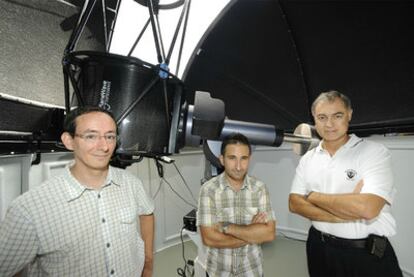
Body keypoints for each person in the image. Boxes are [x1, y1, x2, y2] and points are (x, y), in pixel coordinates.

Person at [0, 106, 155, 276]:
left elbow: (147, 212)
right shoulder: (28, 210)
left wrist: (147, 263)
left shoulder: (132, 184)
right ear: (69, 141)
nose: (104, 146)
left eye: (110, 136)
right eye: (91, 136)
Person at [289, 90, 402, 277]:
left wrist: (313, 197)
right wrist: (343, 211)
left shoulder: (373, 153)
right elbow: (294, 203)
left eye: (337, 116)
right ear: (314, 119)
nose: (329, 124)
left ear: (349, 115)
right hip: (319, 248)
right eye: (322, 117)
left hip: (364, 253)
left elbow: (366, 209)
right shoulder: (308, 159)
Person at [197, 133, 276, 277]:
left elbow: (269, 233)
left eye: (243, 158)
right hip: (218, 271)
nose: (239, 166)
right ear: (222, 159)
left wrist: (226, 227)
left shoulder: (260, 188)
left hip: (252, 270)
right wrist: (252, 231)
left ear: (249, 159)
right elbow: (209, 238)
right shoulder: (208, 190)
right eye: (232, 158)